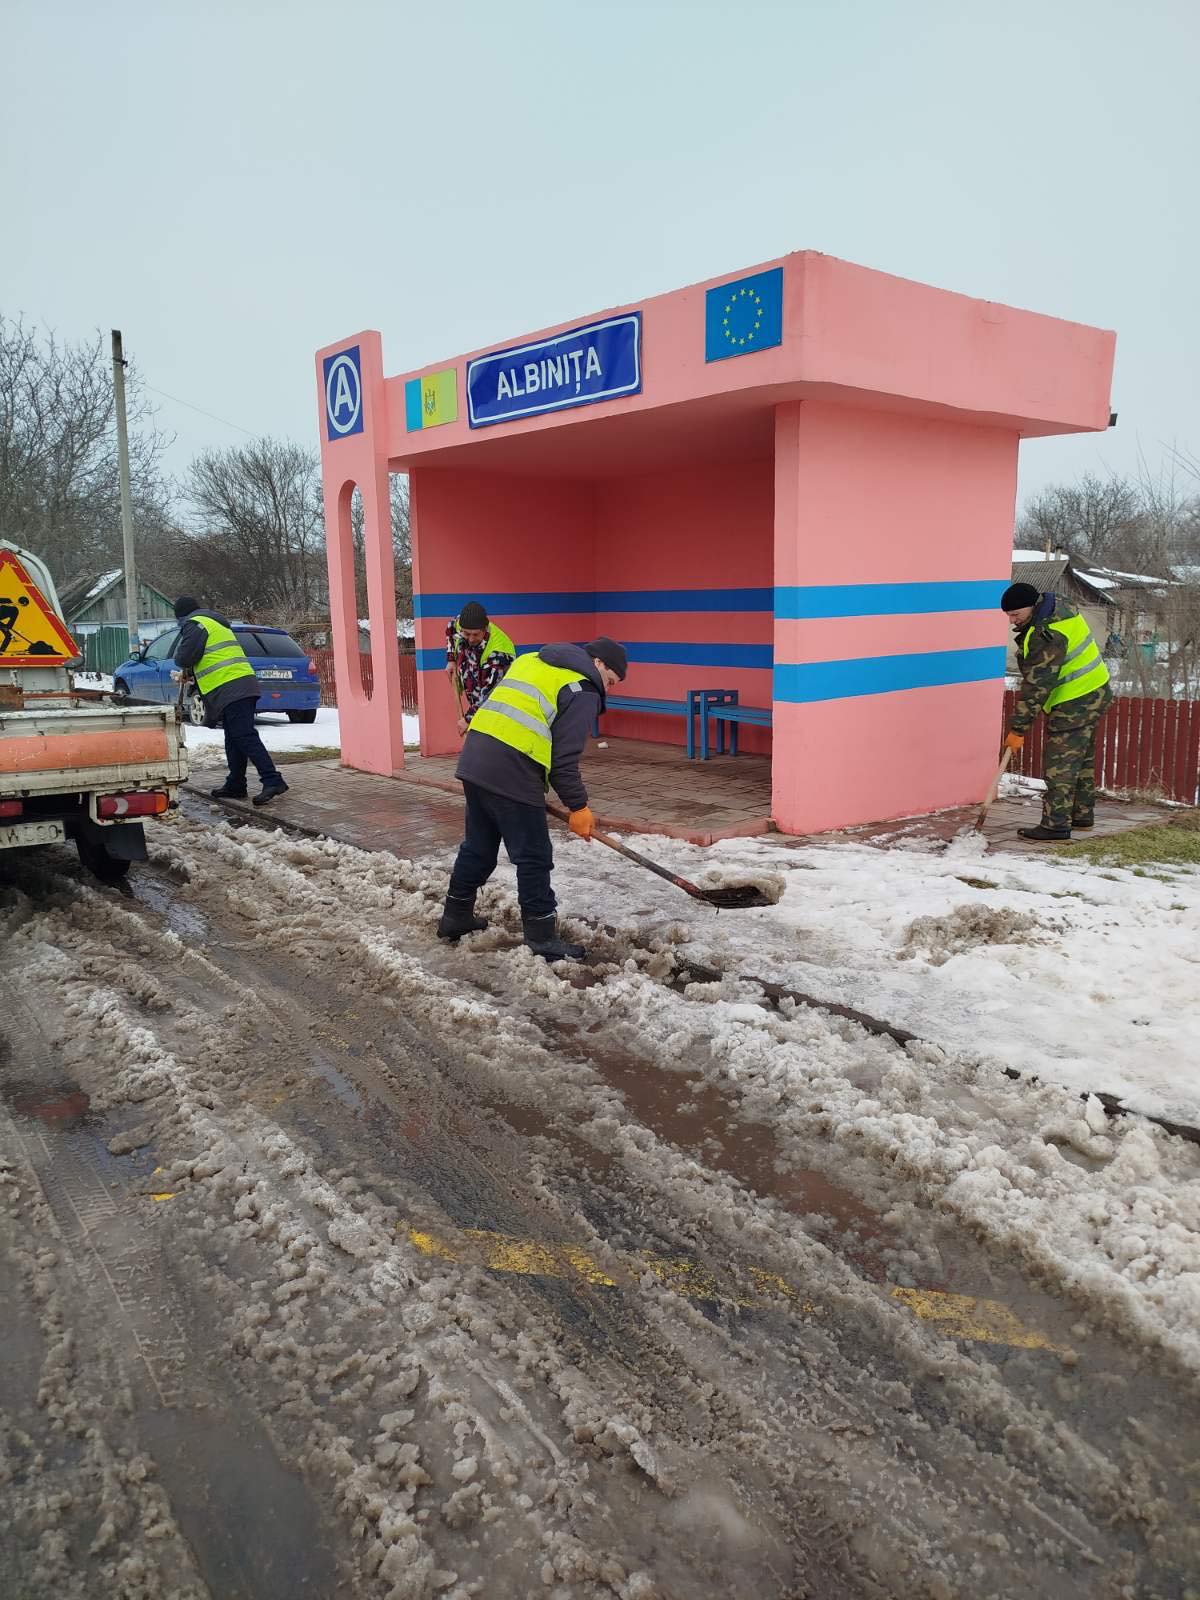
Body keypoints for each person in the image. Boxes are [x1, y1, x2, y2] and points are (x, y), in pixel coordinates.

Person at [436, 637, 628, 959]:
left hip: (475, 758)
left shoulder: (531, 660)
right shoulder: (582, 688)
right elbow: (563, 761)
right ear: (598, 663)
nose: (608, 689)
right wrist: (579, 807)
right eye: (610, 680)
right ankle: (541, 938)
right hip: (513, 767)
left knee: (479, 848)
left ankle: (455, 916)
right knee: (534, 856)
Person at [1000, 583, 1111, 841]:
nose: (1012, 620)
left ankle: (1055, 825)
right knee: (1081, 760)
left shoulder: (1046, 634)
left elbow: (1037, 687)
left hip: (1074, 701)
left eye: (1016, 614)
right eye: (1008, 616)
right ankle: (1081, 815)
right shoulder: (1060, 606)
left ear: (1031, 606)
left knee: (1059, 765)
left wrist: (1018, 729)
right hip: (1096, 689)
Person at [172, 596, 289, 806]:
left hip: (232, 687)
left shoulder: (195, 624)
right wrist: (190, 674)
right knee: (234, 738)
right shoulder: (215, 623)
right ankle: (236, 784)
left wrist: (183, 665)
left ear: (180, 616)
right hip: (239, 685)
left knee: (244, 735)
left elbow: (184, 657)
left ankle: (273, 780)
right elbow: (210, 657)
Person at [445, 601, 516, 737]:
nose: (471, 639)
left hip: (497, 710)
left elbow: (490, 694)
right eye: (467, 634)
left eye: (476, 634)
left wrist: (468, 719)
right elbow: (450, 629)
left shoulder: (498, 653)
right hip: (476, 696)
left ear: (485, 629)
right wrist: (451, 659)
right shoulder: (458, 625)